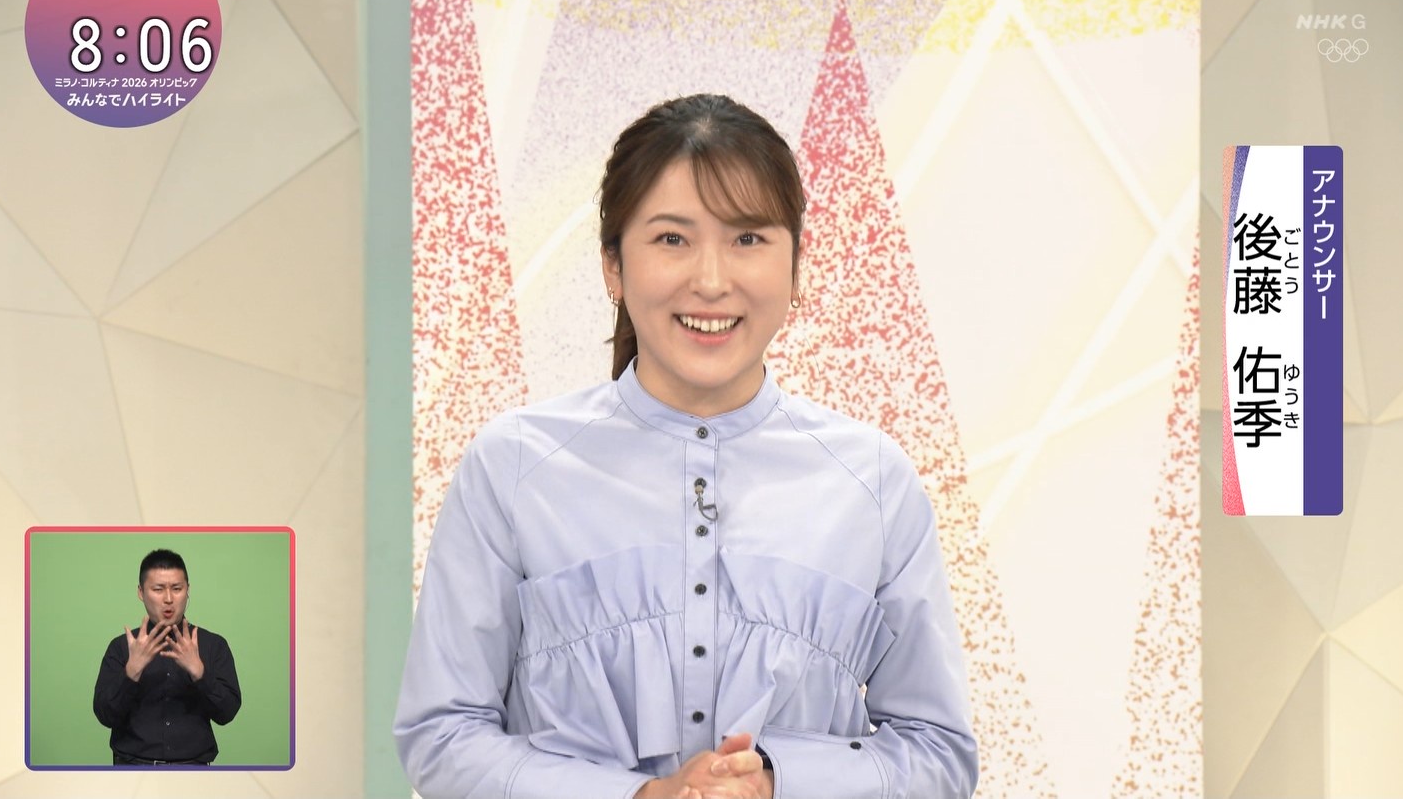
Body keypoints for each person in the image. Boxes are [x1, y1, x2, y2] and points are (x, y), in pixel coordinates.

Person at [395, 93, 977, 799]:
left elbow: (939, 754)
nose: (711, 280)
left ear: (796, 266)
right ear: (613, 266)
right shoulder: (513, 466)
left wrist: (776, 782)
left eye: (748, 239)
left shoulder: (873, 481)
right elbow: (442, 734)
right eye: (672, 239)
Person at [93, 548, 242, 765]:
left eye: (177, 588)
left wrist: (200, 674)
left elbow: (227, 713)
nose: (169, 599)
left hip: (194, 771)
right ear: (141, 592)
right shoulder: (121, 647)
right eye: (158, 589)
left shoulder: (213, 645)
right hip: (131, 769)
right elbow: (105, 716)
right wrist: (130, 673)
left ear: (188, 590)